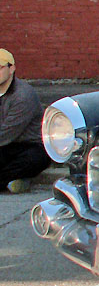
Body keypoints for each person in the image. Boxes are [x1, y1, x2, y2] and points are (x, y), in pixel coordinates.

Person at [0, 48, 51, 193]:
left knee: (35, 159)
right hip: (5, 147)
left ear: (12, 69)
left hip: (29, 145)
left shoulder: (23, 95)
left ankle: (6, 181)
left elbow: (6, 133)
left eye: (0, 68)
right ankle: (14, 182)